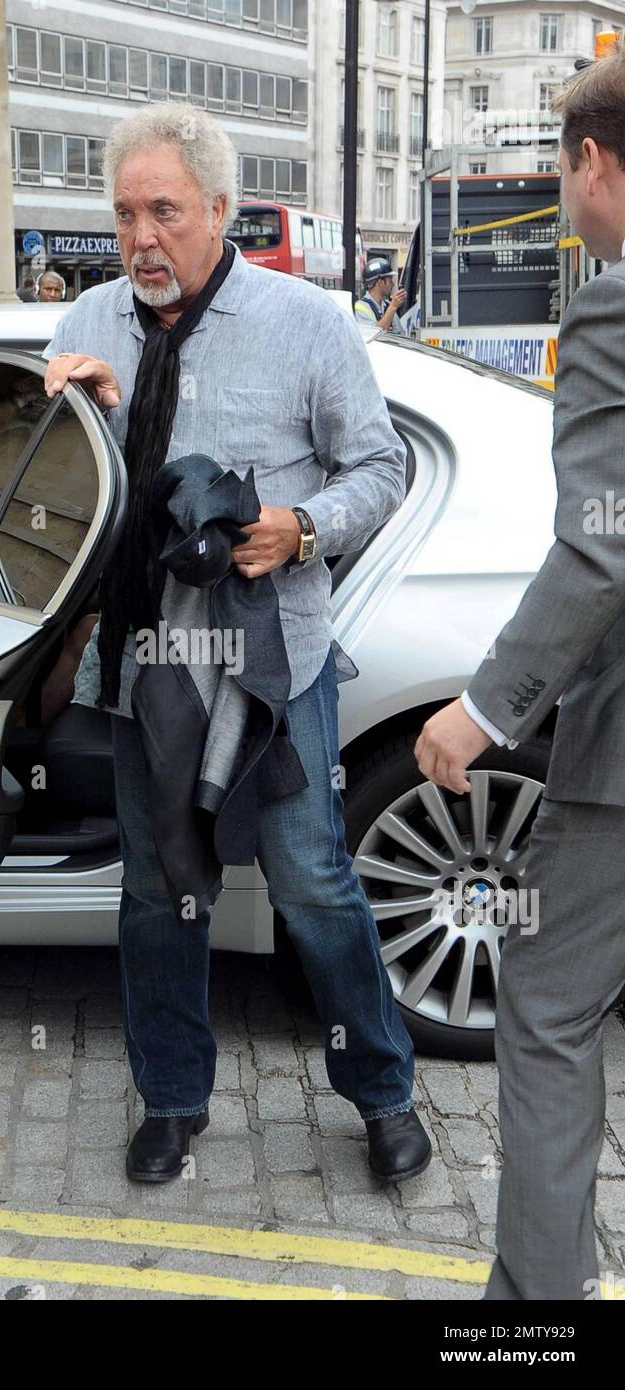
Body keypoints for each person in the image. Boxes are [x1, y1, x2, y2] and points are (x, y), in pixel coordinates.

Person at [43, 103, 431, 1187]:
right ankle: (171, 1099)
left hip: (275, 657)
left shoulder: (306, 322)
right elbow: (70, 503)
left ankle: (385, 1092)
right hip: (143, 663)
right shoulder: (87, 328)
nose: (141, 239)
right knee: (158, 887)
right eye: (124, 214)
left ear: (219, 210)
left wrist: (301, 528)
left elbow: (380, 467)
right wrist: (75, 421)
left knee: (311, 877)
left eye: (164, 211)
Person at [414, 40, 625, 1300]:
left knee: (546, 1013)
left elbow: (602, 549)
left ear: (591, 161)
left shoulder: (611, 298)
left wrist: (484, 708)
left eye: (563, 170)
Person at [353, 257, 406, 333]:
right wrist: (393, 306)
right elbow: (373, 334)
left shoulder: (387, 305)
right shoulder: (360, 308)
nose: (393, 284)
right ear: (380, 282)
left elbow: (400, 334)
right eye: (390, 279)